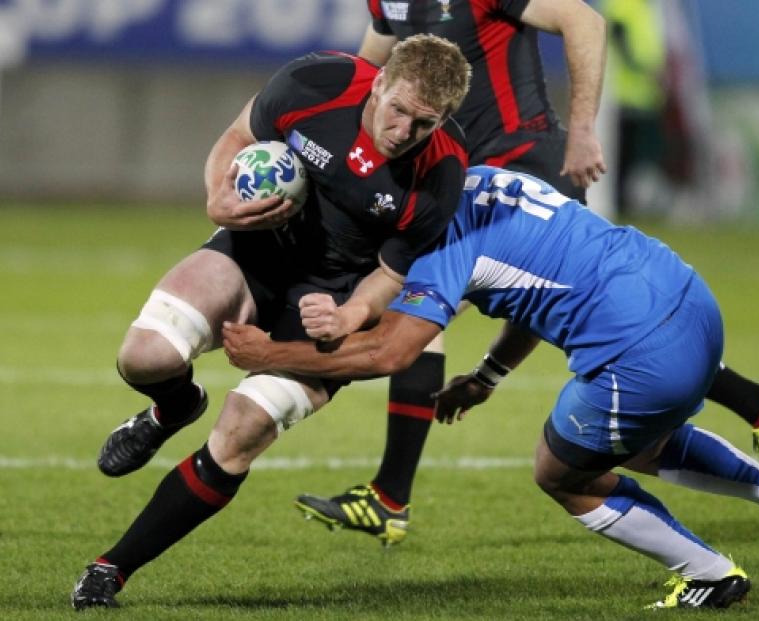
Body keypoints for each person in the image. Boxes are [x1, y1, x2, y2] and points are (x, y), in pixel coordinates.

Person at [221, 166, 759, 609]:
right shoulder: (495, 178)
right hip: (690, 298)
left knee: (560, 471)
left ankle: (710, 576)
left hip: (640, 353)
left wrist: (269, 352)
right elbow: (532, 292)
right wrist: (488, 377)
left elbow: (392, 353)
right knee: (632, 442)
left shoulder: (441, 240)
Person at [294, 0, 759, 547]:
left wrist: (583, 129)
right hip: (455, 170)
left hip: (520, 163)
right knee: (466, 308)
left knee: (419, 308)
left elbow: (583, 20)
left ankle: (389, 497)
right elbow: (363, 75)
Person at [70, 34, 472, 610]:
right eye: (399, 110)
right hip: (258, 249)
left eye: (424, 123)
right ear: (379, 82)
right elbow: (239, 137)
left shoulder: (442, 174)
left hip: (332, 302)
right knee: (145, 357)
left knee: (241, 433)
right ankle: (175, 405)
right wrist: (217, 198)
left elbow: (389, 276)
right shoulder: (316, 84)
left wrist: (349, 315)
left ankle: (111, 568)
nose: (403, 131)